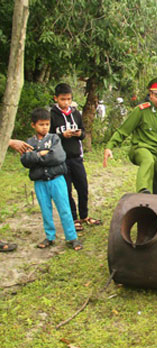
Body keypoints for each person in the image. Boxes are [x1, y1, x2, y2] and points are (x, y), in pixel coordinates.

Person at [103, 75, 157, 194]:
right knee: (148, 161)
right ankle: (143, 192)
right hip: (141, 148)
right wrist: (109, 147)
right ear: (151, 95)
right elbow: (123, 131)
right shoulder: (141, 111)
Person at [20, 108, 82, 250]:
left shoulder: (55, 138)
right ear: (33, 125)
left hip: (57, 180)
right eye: (41, 124)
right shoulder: (29, 142)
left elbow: (58, 157)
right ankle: (49, 237)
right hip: (40, 182)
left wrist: (36, 156)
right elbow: (25, 160)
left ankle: (72, 237)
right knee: (45, 210)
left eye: (47, 124)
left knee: (64, 208)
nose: (45, 127)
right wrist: (41, 154)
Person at [50, 83, 101, 232]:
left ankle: (85, 215)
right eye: (63, 99)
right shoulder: (52, 115)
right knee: (67, 190)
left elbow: (84, 133)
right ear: (56, 98)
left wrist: (79, 134)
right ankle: (74, 218)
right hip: (61, 159)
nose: (66, 102)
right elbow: (49, 137)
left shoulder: (76, 114)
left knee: (83, 187)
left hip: (76, 157)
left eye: (69, 99)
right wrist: (61, 135)